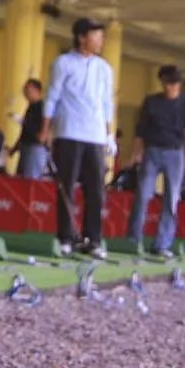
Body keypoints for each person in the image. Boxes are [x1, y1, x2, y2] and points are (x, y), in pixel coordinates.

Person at [43, 17, 115, 259]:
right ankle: (66, 237)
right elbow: (52, 97)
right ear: (82, 37)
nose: (100, 40)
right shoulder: (63, 63)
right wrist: (46, 129)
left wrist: (109, 134)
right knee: (67, 187)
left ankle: (93, 239)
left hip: (95, 136)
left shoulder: (104, 68)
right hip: (69, 132)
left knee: (96, 190)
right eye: (96, 35)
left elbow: (107, 103)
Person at [129, 64, 185, 259]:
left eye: (172, 84)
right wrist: (136, 153)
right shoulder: (152, 102)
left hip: (175, 154)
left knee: (171, 199)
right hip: (152, 151)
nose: (169, 88)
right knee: (142, 196)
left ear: (179, 84)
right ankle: (133, 239)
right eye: (166, 84)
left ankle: (162, 244)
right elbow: (141, 130)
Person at [12, 79, 49, 179]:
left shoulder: (42, 107)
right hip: (26, 147)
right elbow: (24, 132)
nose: (24, 91)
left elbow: (41, 130)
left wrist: (22, 121)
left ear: (37, 90)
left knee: (30, 181)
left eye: (28, 88)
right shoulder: (30, 108)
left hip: (35, 148)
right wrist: (13, 150)